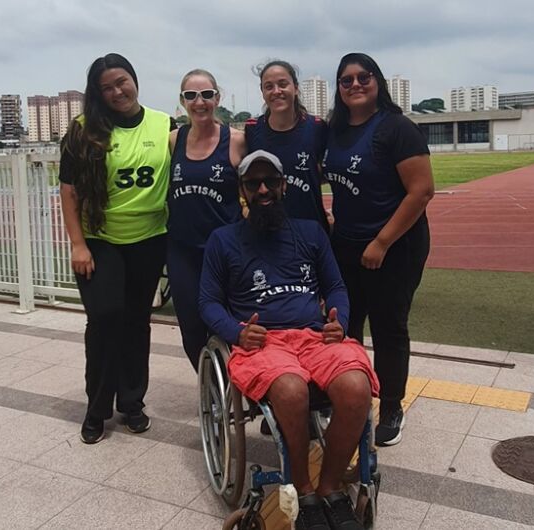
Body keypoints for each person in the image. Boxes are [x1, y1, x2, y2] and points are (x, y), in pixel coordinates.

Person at [199, 150, 379, 530]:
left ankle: (330, 487)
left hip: (314, 337)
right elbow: (208, 302)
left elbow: (335, 287)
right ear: (243, 190)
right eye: (253, 183)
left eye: (270, 182)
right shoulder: (222, 240)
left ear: (283, 186)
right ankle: (302, 488)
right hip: (262, 344)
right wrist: (236, 333)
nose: (263, 189)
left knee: (356, 386)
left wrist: (340, 321)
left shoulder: (311, 232)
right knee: (292, 390)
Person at [58, 53, 173, 443]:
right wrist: (78, 244)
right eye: (106, 87)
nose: (116, 91)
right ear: (97, 93)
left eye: (121, 81)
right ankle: (97, 408)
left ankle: (132, 402)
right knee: (105, 318)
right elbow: (69, 191)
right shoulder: (83, 130)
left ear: (135, 79)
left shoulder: (164, 124)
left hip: (149, 239)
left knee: (136, 322)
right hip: (99, 241)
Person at [323, 53, 434, 446]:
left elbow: (421, 191)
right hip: (347, 244)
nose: (355, 84)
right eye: (346, 80)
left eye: (363, 77)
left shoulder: (396, 128)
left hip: (395, 246)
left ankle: (390, 406)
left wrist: (381, 242)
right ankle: (345, 397)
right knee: (345, 326)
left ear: (377, 81)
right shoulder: (334, 130)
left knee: (388, 327)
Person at [167, 69, 247, 372]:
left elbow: (260, 185)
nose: (199, 102)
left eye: (206, 95)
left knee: (228, 322)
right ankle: (211, 386)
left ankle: (239, 383)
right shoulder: (175, 140)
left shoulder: (237, 141)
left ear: (218, 97)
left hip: (225, 250)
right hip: (182, 249)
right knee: (191, 325)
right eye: (191, 96)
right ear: (183, 101)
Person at [245, 60, 329, 232]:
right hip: (266, 233)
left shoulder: (317, 127)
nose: (276, 91)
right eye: (269, 86)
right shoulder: (252, 129)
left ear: (296, 88)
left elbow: (329, 173)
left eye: (283, 84)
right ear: (262, 92)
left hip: (311, 231)